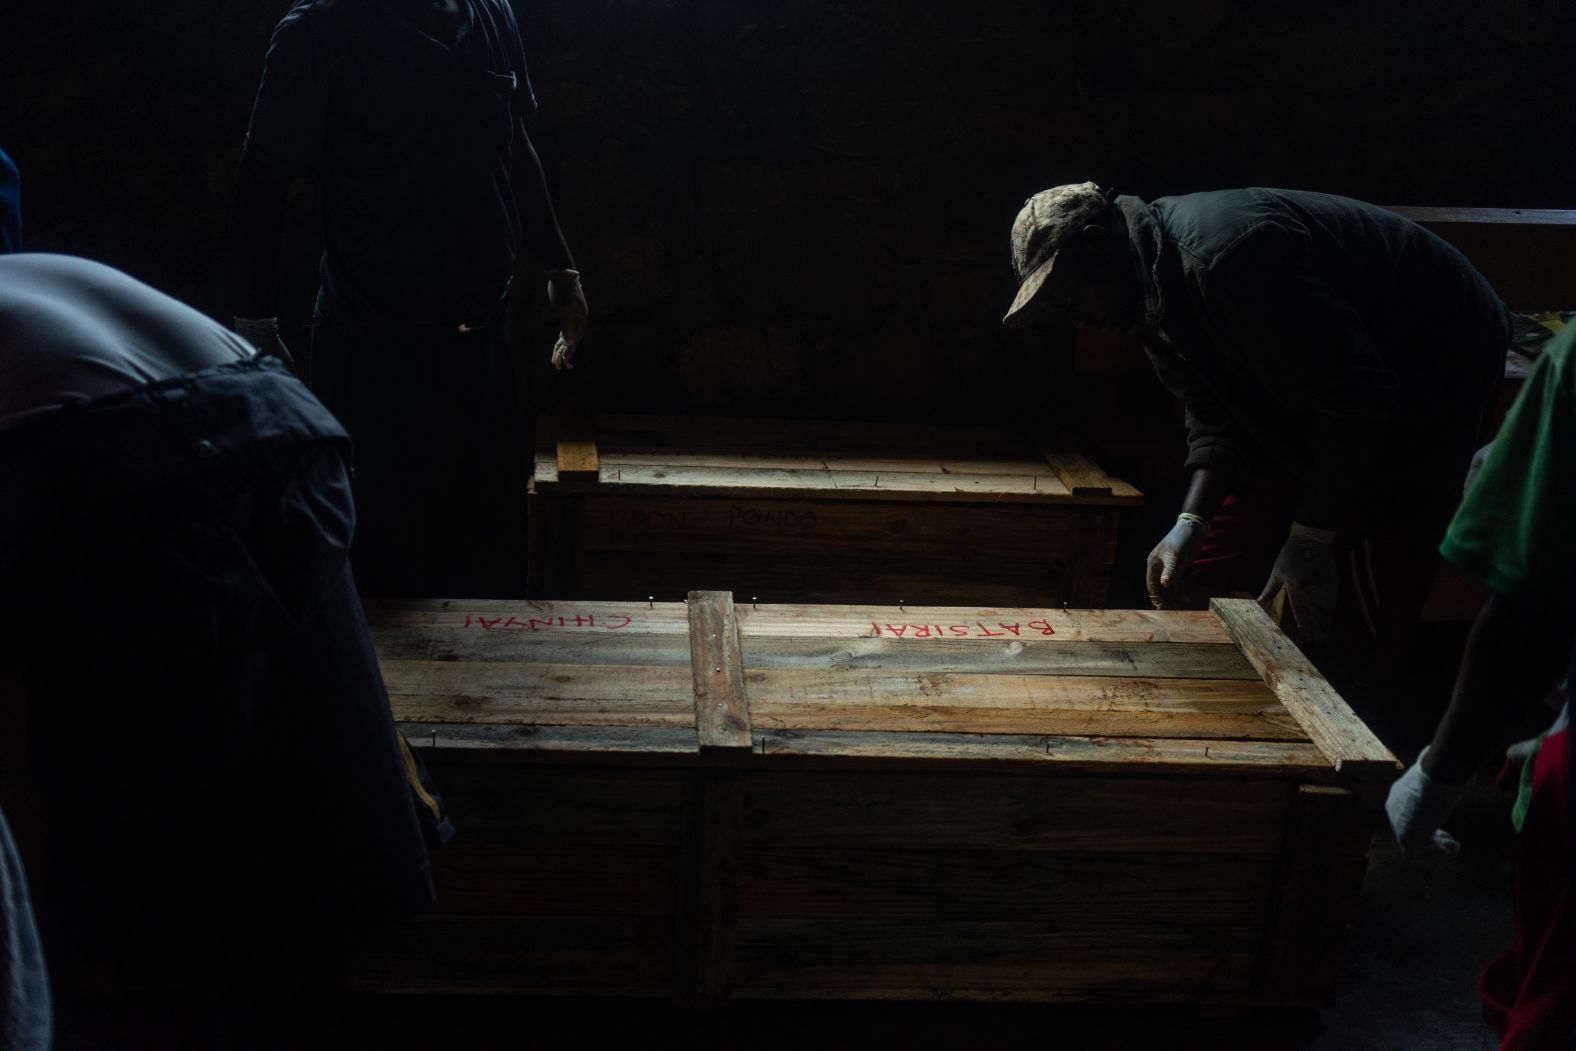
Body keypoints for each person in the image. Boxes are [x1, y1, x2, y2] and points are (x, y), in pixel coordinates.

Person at [0, 254, 436, 1047]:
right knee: (316, 782)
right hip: (279, 422)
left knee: (122, 872)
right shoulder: (32, 269)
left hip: (104, 463)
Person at [1003, 182, 1509, 676]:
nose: (1074, 318)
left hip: (1432, 352)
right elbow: (1210, 408)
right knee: (1200, 575)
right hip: (1330, 373)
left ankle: (1363, 708)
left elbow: (1358, 396)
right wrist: (1192, 519)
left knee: (1357, 580)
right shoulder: (1143, 294)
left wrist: (1312, 538)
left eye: (1067, 295)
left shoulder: (1227, 260)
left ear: (1096, 244)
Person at [233, 0, 588, 598]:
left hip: (484, 347)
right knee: (378, 569)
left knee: (484, 556)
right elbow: (263, 181)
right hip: (373, 354)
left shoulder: (489, 15)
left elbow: (514, 142)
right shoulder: (319, 34)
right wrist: (256, 327)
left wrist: (560, 267)